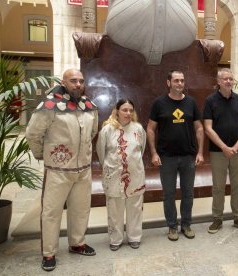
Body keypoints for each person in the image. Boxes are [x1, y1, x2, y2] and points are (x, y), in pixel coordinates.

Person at [26, 69, 98, 272]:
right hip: (58, 170)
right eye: (73, 80)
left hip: (83, 169)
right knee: (51, 212)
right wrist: (43, 155)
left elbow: (93, 132)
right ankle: (49, 253)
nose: (78, 84)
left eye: (81, 81)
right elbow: (33, 134)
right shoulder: (49, 106)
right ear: (64, 82)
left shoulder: (89, 106)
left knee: (81, 209)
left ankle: (77, 243)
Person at [146, 70, 204, 241]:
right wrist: (154, 153)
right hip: (167, 158)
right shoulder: (159, 103)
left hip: (188, 157)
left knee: (188, 193)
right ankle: (172, 226)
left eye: (182, 80)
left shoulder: (191, 103)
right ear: (168, 83)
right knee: (169, 194)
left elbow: (199, 128)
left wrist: (200, 152)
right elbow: (150, 128)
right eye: (176, 80)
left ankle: (186, 225)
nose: (180, 83)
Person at [203, 68, 238, 234]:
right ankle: (217, 219)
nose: (229, 82)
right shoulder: (210, 101)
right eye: (225, 79)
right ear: (218, 81)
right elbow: (208, 128)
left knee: (237, 185)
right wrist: (224, 147)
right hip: (218, 152)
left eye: (231, 79)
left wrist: (236, 147)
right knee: (218, 186)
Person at [96, 99, 146, 251]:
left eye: (131, 110)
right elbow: (101, 152)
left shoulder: (138, 128)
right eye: (124, 110)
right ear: (117, 111)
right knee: (114, 209)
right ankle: (115, 239)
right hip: (113, 175)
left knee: (135, 208)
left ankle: (134, 237)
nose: (128, 113)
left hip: (135, 174)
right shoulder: (107, 130)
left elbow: (141, 150)